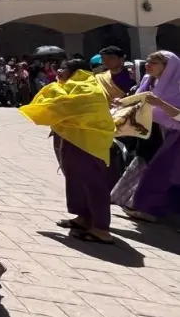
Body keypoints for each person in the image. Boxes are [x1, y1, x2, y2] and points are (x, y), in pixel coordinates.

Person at [20, 58, 115, 244]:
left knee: (93, 183)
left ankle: (102, 229)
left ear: (76, 71)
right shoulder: (71, 85)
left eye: (63, 68)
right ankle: (84, 217)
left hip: (88, 143)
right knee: (76, 180)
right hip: (73, 139)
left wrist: (54, 90)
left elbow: (67, 104)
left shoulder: (88, 87)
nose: (58, 71)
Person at [120, 50, 180, 223]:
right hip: (156, 133)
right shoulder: (149, 81)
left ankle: (153, 210)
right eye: (147, 61)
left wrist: (161, 104)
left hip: (174, 134)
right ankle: (148, 208)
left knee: (164, 173)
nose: (148, 65)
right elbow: (138, 101)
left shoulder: (177, 86)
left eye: (154, 63)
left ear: (168, 67)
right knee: (158, 172)